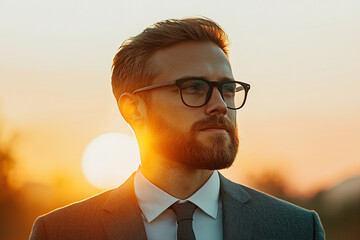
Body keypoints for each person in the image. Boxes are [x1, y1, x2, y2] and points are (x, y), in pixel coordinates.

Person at [29, 17, 325, 240]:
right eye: (194, 88)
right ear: (133, 108)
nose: (220, 105)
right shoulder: (60, 232)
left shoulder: (296, 229)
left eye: (227, 89)